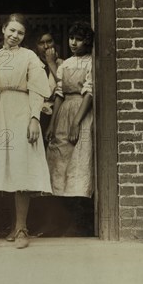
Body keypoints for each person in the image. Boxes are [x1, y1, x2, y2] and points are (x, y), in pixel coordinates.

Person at [0, 13, 52, 249]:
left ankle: (22, 228)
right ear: (4, 29)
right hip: (2, 112)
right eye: (12, 30)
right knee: (7, 168)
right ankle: (13, 225)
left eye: (20, 33)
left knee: (22, 167)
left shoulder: (29, 57)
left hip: (23, 112)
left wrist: (34, 118)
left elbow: (37, 89)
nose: (15, 36)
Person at [46, 22, 94, 199]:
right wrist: (52, 123)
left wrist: (76, 123)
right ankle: (60, 206)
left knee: (79, 158)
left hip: (81, 112)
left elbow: (89, 93)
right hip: (63, 113)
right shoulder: (66, 64)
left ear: (87, 41)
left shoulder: (91, 62)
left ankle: (78, 205)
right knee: (59, 159)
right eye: (71, 38)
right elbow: (59, 93)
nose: (73, 42)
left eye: (79, 40)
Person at [30, 27, 63, 140]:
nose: (46, 46)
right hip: (37, 115)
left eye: (49, 41)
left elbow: (64, 87)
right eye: (41, 43)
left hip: (57, 114)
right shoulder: (32, 65)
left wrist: (51, 63)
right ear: (35, 46)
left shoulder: (62, 64)